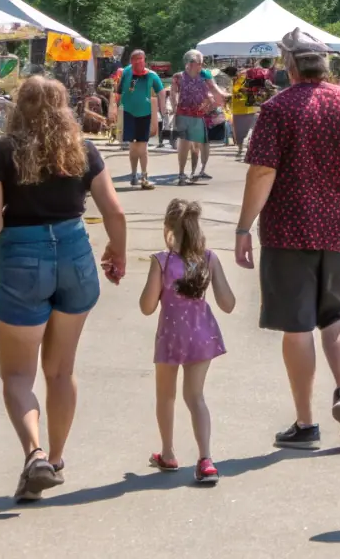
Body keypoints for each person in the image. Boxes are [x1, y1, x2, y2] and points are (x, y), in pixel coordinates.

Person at [0, 77, 128, 502]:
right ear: (65, 107)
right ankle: (56, 459)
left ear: (17, 107)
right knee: (61, 371)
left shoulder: (2, 152)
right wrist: (117, 252)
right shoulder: (82, 149)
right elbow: (114, 211)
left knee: (17, 375)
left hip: (24, 259)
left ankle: (35, 454)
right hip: (75, 254)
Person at [234, 28, 340, 450]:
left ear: (290, 65)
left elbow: (262, 172)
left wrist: (244, 227)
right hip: (338, 230)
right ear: (327, 64)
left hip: (287, 230)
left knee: (297, 326)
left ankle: (305, 422)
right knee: (337, 317)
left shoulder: (277, 109)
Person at [139, 198, 235, 484]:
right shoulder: (208, 258)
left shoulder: (162, 260)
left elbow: (146, 306)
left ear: (168, 228)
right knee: (195, 397)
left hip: (170, 337)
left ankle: (168, 453)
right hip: (201, 335)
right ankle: (206, 459)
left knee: (166, 396)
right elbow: (228, 303)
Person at [170, 51, 227, 186]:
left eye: (202, 63)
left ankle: (196, 171)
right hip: (183, 114)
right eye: (199, 63)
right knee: (184, 144)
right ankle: (181, 173)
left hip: (200, 115)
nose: (202, 65)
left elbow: (214, 88)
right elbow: (173, 93)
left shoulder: (204, 75)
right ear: (189, 64)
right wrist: (174, 105)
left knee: (197, 145)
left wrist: (224, 96)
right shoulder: (178, 77)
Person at [114, 50, 166, 189]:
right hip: (129, 113)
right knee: (133, 147)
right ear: (131, 61)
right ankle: (133, 174)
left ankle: (144, 176)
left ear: (144, 60)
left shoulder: (151, 75)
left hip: (145, 114)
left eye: (141, 59)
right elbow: (118, 92)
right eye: (135, 59)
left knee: (142, 147)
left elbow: (161, 91)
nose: (138, 62)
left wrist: (163, 108)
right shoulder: (126, 72)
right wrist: (114, 110)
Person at [231, 65, 272, 159]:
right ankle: (242, 149)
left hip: (248, 109)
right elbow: (234, 91)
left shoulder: (249, 80)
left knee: (247, 131)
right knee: (240, 132)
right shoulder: (236, 80)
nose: (241, 71)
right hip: (240, 109)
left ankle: (245, 150)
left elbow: (236, 90)